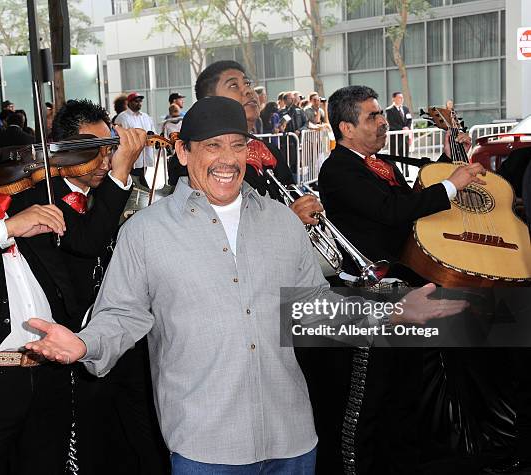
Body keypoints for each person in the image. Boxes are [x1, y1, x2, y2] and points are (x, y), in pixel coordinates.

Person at [25, 96, 468, 474]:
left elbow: (311, 309)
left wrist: (393, 312)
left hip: (292, 441)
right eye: (212, 146)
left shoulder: (280, 220)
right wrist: (84, 345)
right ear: (182, 152)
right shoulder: (145, 232)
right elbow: (122, 315)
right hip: (204, 446)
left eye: (238, 146)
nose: (227, 158)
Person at [0, 80, 140, 475]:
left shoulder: (16, 186)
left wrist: (118, 172)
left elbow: (85, 239)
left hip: (46, 376)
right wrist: (7, 228)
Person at [313, 85, 484, 474]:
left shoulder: (378, 163)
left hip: (405, 293)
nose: (383, 121)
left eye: (380, 114)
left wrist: (447, 159)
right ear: (346, 128)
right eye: (372, 116)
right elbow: (393, 211)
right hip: (371, 298)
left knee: (405, 390)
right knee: (372, 396)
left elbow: (412, 202)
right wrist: (453, 183)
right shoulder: (338, 168)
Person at [49, 99, 169, 474]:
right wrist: (119, 175)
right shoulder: (45, 195)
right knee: (94, 447)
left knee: (144, 442)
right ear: (65, 148)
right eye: (94, 149)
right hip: (79, 344)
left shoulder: (108, 192)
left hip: (125, 340)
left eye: (110, 149)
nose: (104, 160)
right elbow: (87, 242)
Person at [168, 60, 322, 225]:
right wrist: (287, 221)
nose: (248, 90)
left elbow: (289, 194)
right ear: (209, 101)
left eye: (247, 83)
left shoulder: (269, 150)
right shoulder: (188, 160)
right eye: (234, 85)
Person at [115, 92, 155, 188]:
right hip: (131, 156)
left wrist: (151, 135)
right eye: (136, 101)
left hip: (145, 155)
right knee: (138, 180)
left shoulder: (146, 117)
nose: (139, 103)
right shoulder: (122, 117)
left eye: (140, 101)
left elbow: (153, 132)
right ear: (129, 102)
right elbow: (120, 136)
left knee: (140, 177)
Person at [385, 91, 412, 160]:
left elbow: (409, 120)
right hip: (395, 138)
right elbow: (391, 123)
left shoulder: (406, 109)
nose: (401, 99)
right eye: (399, 98)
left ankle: (405, 171)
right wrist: (402, 129)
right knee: (393, 158)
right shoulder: (389, 110)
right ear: (393, 99)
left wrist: (407, 127)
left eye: (402, 98)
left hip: (405, 138)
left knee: (406, 158)